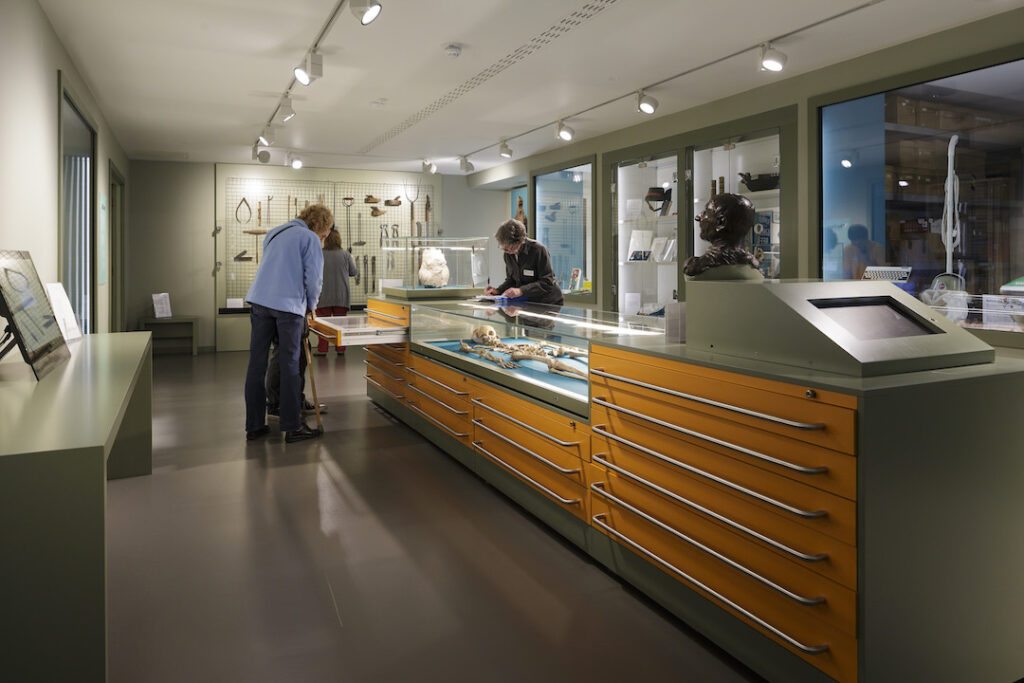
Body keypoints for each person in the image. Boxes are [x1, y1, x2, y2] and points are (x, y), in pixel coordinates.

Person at [243, 203, 332, 443]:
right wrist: (312, 306)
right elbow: (314, 280)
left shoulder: (276, 232)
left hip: (259, 301)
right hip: (289, 306)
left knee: (256, 365)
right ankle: (292, 426)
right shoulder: (310, 238)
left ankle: (254, 425)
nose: (324, 238)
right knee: (290, 364)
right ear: (320, 226)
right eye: (325, 233)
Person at [683, 193, 763, 281]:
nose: (698, 217)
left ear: (721, 223)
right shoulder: (755, 272)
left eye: (706, 212)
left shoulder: (697, 272)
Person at [483, 218, 564, 305]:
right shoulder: (508, 255)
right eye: (504, 249)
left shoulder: (538, 250)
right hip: (528, 302)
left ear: (520, 241)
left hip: (549, 301)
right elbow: (511, 280)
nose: (507, 251)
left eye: (510, 248)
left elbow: (547, 281)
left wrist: (520, 291)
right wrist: (498, 291)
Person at [314, 226, 359, 355]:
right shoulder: (346, 254)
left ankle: (322, 349)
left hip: (323, 295)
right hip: (341, 296)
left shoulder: (319, 254)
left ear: (326, 240)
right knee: (341, 324)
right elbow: (353, 272)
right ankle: (341, 348)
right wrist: (353, 260)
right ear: (339, 240)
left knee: (323, 324)